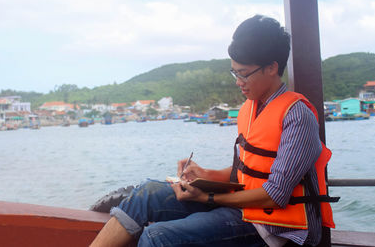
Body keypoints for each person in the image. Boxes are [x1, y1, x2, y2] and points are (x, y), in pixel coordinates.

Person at [90, 15, 336, 247]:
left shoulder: (298, 116)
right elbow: (246, 171)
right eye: (234, 73)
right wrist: (206, 175)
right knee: (145, 193)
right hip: (240, 208)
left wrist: (208, 198)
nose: (238, 81)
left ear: (272, 67)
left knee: (157, 237)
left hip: (273, 229)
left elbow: (275, 194)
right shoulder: (251, 109)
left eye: (243, 74)